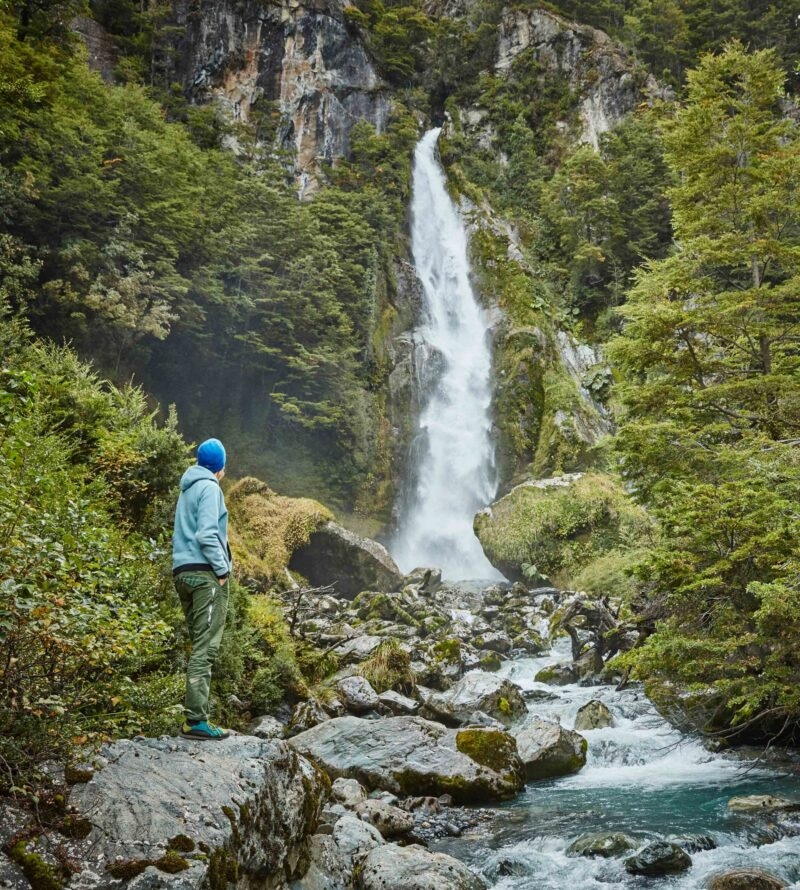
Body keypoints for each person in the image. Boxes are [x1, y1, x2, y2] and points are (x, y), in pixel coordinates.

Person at [172, 438, 233, 740]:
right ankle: (196, 720)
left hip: (182, 572)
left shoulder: (187, 488)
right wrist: (222, 571)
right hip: (204, 575)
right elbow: (207, 533)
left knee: (198, 642)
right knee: (205, 648)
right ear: (220, 466)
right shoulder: (210, 488)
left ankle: (192, 718)